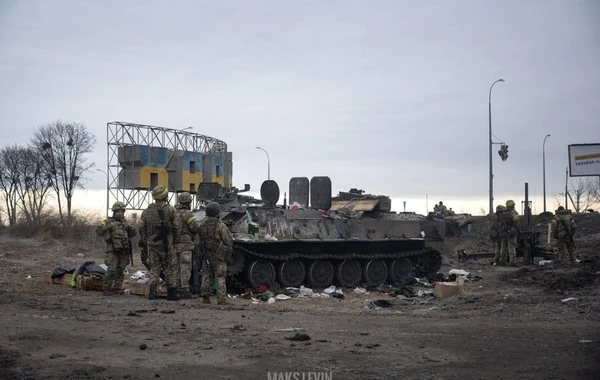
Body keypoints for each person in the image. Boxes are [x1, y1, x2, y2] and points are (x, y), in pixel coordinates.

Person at [138, 185, 182, 300]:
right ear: (165, 196)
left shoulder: (146, 211)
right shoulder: (171, 209)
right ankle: (171, 293)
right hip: (167, 244)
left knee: (154, 268)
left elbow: (141, 227)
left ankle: (152, 293)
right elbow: (177, 226)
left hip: (152, 245)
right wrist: (176, 241)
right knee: (169, 268)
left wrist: (145, 240)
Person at [96, 201, 137, 296]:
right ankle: (106, 288)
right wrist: (109, 227)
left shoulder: (126, 223)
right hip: (112, 250)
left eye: (122, 212)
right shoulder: (108, 222)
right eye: (118, 212)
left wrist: (131, 228)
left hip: (123, 250)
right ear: (114, 212)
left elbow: (133, 234)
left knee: (121, 269)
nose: (120, 214)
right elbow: (99, 231)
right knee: (112, 269)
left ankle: (118, 288)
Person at [198, 201, 234, 305]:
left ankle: (205, 298)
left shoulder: (201, 225)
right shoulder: (220, 225)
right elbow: (228, 240)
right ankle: (221, 300)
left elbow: (198, 240)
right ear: (217, 213)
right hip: (219, 255)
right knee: (220, 277)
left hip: (206, 255)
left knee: (206, 275)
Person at [174, 192, 199, 299]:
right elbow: (194, 228)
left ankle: (176, 288)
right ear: (188, 202)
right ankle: (184, 289)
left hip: (174, 244)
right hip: (185, 244)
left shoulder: (173, 212)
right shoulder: (188, 214)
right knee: (185, 266)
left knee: (176, 267)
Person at [500, 199, 521, 266]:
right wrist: (517, 229)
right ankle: (512, 262)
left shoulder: (503, 213)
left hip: (504, 231)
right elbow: (516, 221)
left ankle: (502, 261)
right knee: (511, 247)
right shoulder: (513, 213)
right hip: (511, 231)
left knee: (503, 247)